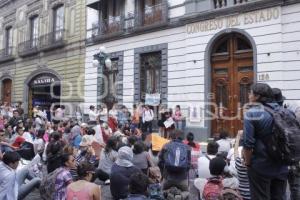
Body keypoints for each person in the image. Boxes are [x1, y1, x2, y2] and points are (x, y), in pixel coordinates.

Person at [243, 83, 288, 200]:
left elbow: (248, 145)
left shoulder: (252, 113)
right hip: (282, 166)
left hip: (261, 167)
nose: (248, 95)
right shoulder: (286, 112)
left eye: (250, 93)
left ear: (257, 96)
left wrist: (248, 163)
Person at [273, 87, 300, 200]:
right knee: (295, 186)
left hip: (280, 157)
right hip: (294, 156)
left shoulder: (272, 114)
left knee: (280, 188)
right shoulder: (291, 114)